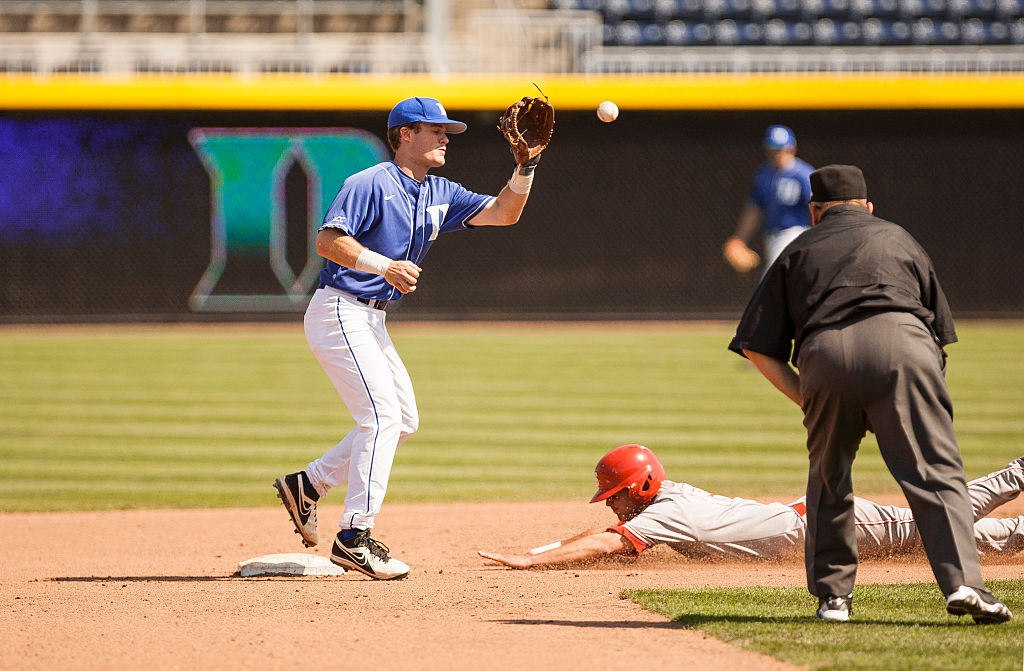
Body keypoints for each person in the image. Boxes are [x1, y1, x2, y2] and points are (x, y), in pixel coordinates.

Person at [727, 164, 1011, 624]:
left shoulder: (798, 248)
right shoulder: (899, 238)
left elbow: (757, 346)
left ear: (814, 212)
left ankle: (833, 599)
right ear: (868, 207)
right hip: (904, 348)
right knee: (937, 473)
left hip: (826, 355)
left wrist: (808, 396)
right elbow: (939, 334)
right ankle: (963, 584)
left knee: (829, 479)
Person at [273, 96, 543, 580]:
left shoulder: (440, 190)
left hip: (371, 319)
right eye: (434, 129)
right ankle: (354, 536)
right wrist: (384, 265)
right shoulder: (369, 182)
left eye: (447, 132)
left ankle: (308, 485)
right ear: (403, 135)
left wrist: (527, 166)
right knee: (379, 418)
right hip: (339, 309)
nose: (444, 138)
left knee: (403, 421)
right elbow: (327, 241)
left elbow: (505, 213)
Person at [478, 443, 1024, 582]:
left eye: (615, 495)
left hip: (831, 524)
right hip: (823, 527)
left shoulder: (666, 516)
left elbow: (607, 543)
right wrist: (543, 549)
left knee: (947, 517)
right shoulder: (665, 499)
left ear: (639, 488)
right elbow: (611, 532)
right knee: (983, 540)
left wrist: (532, 563)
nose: (613, 504)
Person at [722, 125, 814, 276]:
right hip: (771, 237)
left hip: (794, 233)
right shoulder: (764, 173)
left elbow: (816, 207)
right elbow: (754, 209)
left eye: (780, 149)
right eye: (772, 149)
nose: (776, 154)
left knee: (772, 281)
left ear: (792, 148)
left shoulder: (803, 174)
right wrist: (739, 238)